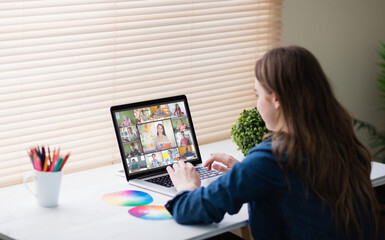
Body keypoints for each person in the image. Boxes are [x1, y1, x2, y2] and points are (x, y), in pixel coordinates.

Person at [165, 46, 381, 240]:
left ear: (276, 99)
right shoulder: (342, 141)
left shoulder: (273, 156)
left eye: (258, 94)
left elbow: (191, 209)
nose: (257, 103)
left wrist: (187, 186)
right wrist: (245, 171)